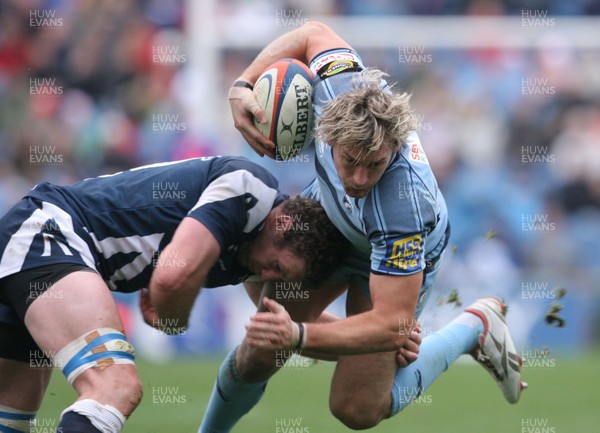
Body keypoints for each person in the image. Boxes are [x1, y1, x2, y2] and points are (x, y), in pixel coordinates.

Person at [199, 21, 526, 432]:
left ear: (392, 146)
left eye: (374, 164)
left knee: (355, 408)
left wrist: (308, 337)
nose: (358, 179)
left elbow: (390, 320)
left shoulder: (404, 206)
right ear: (328, 137)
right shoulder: (336, 87)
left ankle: (473, 328)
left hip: (390, 250)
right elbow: (312, 31)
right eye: (349, 161)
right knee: (260, 348)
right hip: (331, 223)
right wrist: (241, 85)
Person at [0, 155, 348, 433]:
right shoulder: (249, 189)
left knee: (11, 420)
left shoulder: (254, 250)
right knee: (115, 387)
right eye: (278, 268)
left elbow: (281, 325)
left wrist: (375, 342)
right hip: (48, 235)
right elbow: (170, 278)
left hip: (39, 248)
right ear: (282, 224)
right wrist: (172, 317)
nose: (270, 277)